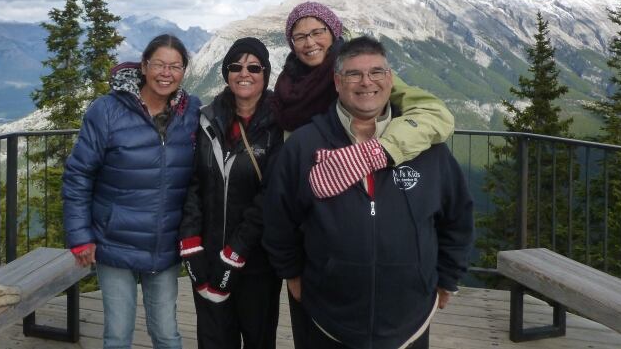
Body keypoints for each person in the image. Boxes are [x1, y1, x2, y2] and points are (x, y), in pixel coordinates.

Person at [263, 36, 474, 349]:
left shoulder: (428, 149)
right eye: (353, 74)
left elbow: (457, 217)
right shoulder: (304, 146)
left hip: (410, 320)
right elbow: (279, 218)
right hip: (328, 319)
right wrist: (291, 273)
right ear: (337, 82)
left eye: (376, 72)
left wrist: (448, 278)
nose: (366, 83)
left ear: (390, 80)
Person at [62, 34, 201, 349]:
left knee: (167, 333)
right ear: (144, 66)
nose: (166, 73)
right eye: (159, 65)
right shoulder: (107, 111)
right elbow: (78, 175)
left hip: (165, 242)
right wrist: (80, 236)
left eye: (175, 66)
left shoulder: (191, 111)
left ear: (184, 71)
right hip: (115, 241)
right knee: (118, 334)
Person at [179, 37, 284, 349]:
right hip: (209, 258)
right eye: (236, 66)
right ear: (225, 73)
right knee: (213, 341)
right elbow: (191, 183)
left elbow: (272, 195)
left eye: (254, 67)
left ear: (265, 75)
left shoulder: (279, 126)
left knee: (258, 339)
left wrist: (236, 251)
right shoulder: (206, 119)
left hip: (257, 263)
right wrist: (190, 244)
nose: (244, 73)